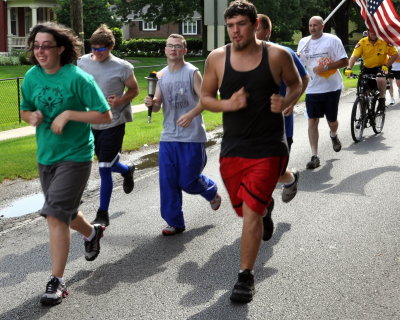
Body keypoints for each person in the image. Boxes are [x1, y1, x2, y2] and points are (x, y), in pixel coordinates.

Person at [201, 0, 302, 303]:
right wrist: (227, 105)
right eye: (230, 26)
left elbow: (296, 84)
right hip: (233, 148)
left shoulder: (277, 56)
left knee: (251, 215)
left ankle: (245, 276)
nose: (235, 31)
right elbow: (206, 97)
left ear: (255, 24)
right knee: (245, 210)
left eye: (241, 24)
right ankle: (264, 207)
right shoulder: (217, 58)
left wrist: (286, 103)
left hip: (269, 146)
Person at [20, 22, 112, 305]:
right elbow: (24, 109)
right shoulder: (32, 76)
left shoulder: (78, 79)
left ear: (61, 48)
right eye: (36, 46)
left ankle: (56, 281)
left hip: (75, 155)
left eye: (46, 46)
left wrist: (70, 113)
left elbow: (104, 116)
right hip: (46, 155)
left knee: (55, 214)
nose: (40, 51)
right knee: (65, 212)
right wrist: (30, 117)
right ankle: (92, 232)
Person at [144, 34, 221, 236]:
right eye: (170, 46)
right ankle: (174, 222)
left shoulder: (192, 73)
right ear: (165, 50)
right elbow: (159, 104)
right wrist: (152, 103)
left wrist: (190, 114)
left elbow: (206, 99)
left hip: (192, 136)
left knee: (188, 181)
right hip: (169, 136)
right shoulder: (161, 76)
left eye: (178, 47)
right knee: (168, 181)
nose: (173, 49)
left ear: (184, 51)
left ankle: (210, 190)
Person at [78, 24, 139, 227]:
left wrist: (120, 101)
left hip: (114, 121)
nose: (96, 53)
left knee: (104, 167)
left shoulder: (123, 67)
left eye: (100, 49)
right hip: (91, 122)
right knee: (108, 163)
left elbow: (134, 90)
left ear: (110, 47)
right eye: (93, 48)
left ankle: (102, 213)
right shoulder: (83, 62)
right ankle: (126, 169)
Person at [256, 13, 309, 203]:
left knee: (274, 173)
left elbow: (303, 79)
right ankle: (264, 212)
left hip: (281, 127)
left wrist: (291, 102)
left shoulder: (284, 53)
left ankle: (290, 179)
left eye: (256, 29)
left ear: (267, 32)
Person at [297, 16, 348, 170]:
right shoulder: (303, 42)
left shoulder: (333, 40)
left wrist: (325, 68)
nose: (312, 28)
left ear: (322, 26)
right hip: (313, 89)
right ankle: (314, 156)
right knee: (312, 121)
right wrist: (297, 60)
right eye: (310, 25)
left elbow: (344, 61)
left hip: (332, 88)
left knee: (332, 122)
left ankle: (333, 135)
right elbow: (302, 65)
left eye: (315, 25)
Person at [346, 29, 398, 109]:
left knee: (380, 79)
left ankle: (382, 99)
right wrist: (349, 68)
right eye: (371, 31)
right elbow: (354, 56)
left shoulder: (384, 41)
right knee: (362, 93)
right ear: (368, 32)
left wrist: (386, 66)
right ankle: (363, 115)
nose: (373, 33)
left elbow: (395, 55)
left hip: (381, 67)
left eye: (375, 31)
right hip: (367, 68)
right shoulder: (362, 42)